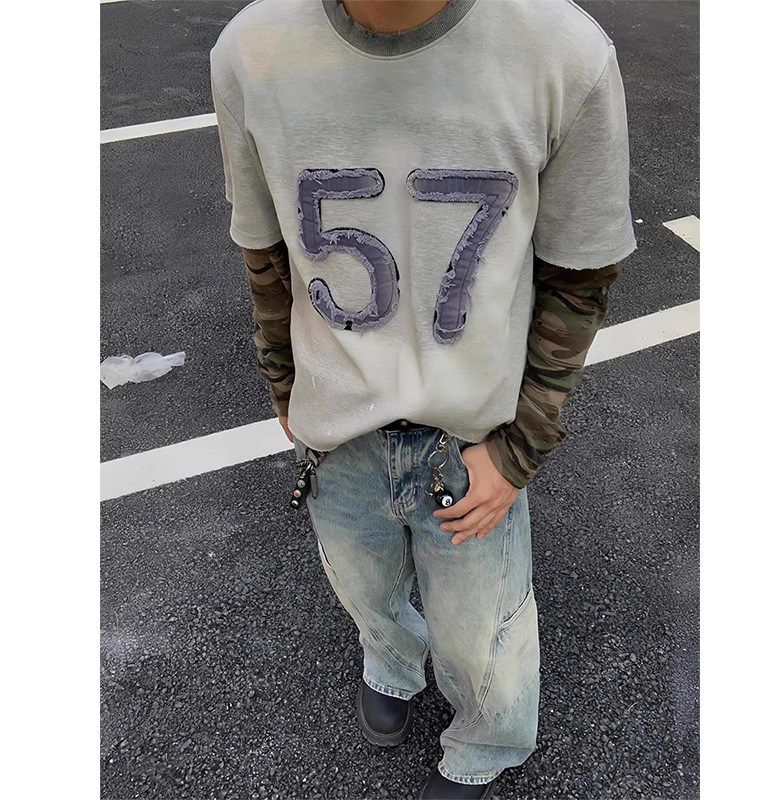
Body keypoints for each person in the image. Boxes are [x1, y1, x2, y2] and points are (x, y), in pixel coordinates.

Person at [210, 1, 636, 798]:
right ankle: (392, 660)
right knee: (363, 588)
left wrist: (521, 447)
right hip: (339, 428)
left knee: (483, 635)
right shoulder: (251, 50)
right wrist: (285, 382)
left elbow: (580, 274)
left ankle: (487, 741)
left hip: (471, 438)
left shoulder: (562, 53)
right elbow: (264, 250)